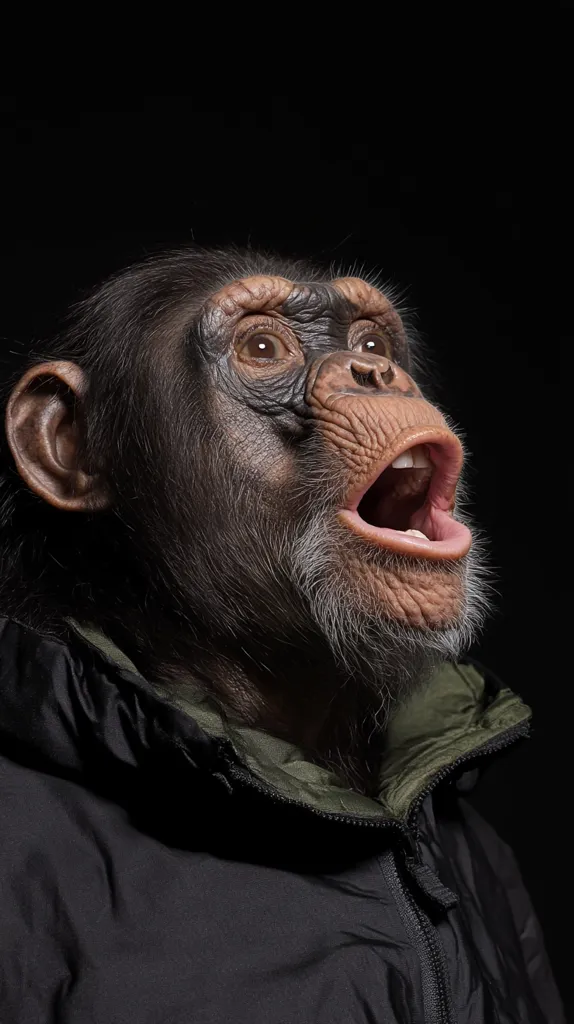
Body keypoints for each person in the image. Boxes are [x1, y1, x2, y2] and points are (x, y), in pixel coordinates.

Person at [0, 248, 564, 1022]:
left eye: (370, 343)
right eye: (263, 348)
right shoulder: (18, 841)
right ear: (72, 445)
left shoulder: (453, 833)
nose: (372, 374)